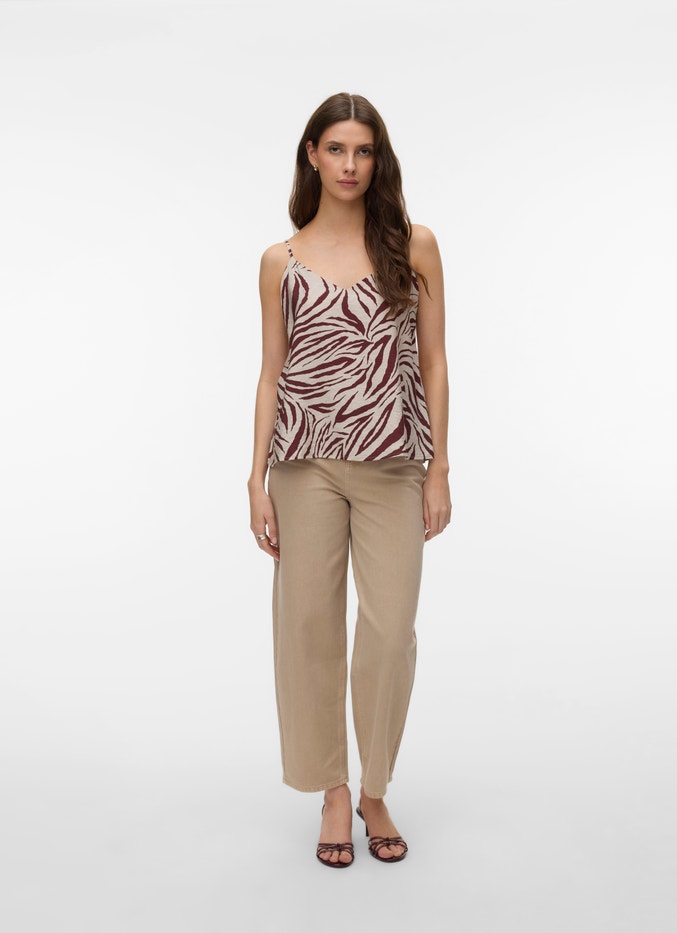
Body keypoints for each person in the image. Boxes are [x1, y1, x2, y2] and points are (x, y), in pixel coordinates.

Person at [247, 91, 451, 868]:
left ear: (378, 159)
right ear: (312, 154)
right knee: (307, 627)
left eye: (363, 151)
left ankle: (375, 786)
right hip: (303, 465)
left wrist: (439, 467)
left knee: (391, 630)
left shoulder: (414, 246)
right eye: (336, 148)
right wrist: (255, 480)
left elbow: (434, 360)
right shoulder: (281, 260)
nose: (350, 164)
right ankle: (334, 790)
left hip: (394, 461)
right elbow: (271, 373)